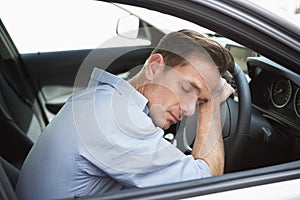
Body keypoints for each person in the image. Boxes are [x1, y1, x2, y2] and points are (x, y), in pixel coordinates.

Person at [16, 29, 235, 199]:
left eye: (199, 102)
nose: (189, 110)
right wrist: (212, 104)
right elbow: (204, 188)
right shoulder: (117, 119)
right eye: (187, 89)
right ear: (155, 67)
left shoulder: (104, 100)